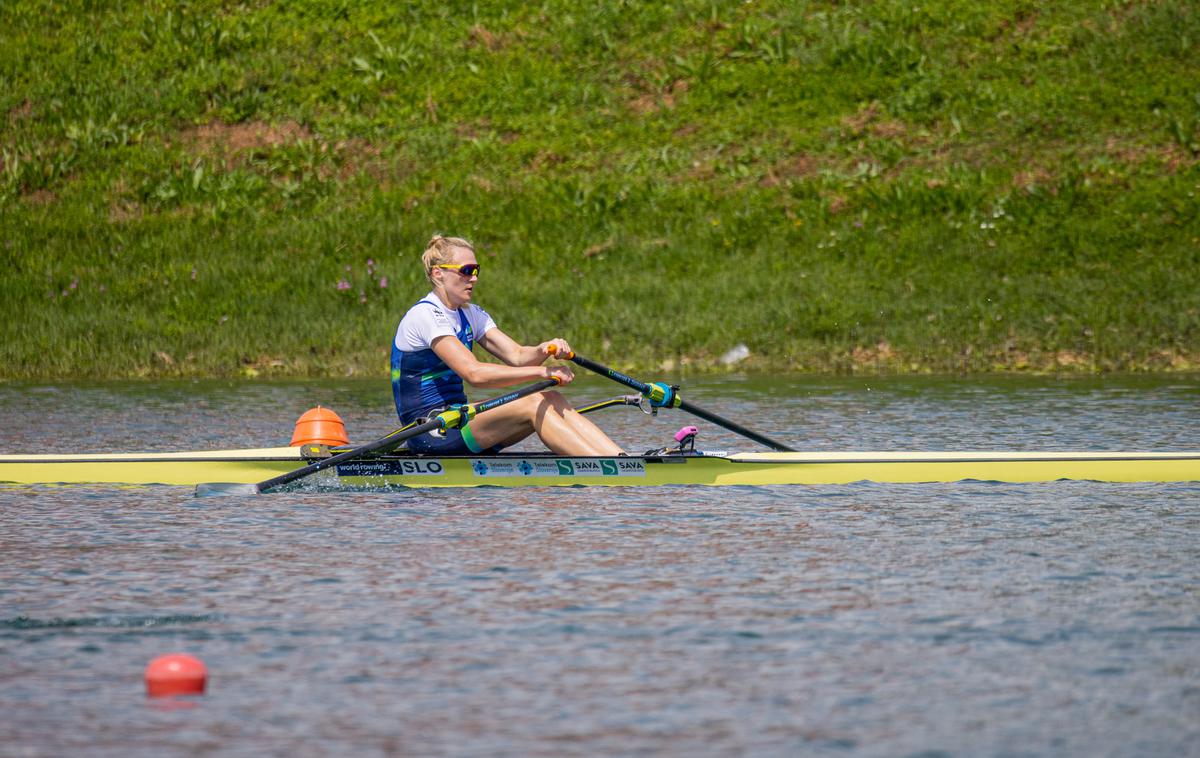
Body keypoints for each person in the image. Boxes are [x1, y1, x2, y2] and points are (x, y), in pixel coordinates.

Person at [390, 235, 624, 456]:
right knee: (533, 403)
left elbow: (518, 355)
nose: (474, 278)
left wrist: (544, 349)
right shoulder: (426, 315)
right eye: (466, 271)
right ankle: (606, 469)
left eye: (476, 270)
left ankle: (619, 459)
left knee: (552, 398)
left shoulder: (470, 314)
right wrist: (544, 371)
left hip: (459, 420)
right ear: (438, 273)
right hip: (430, 430)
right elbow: (474, 373)